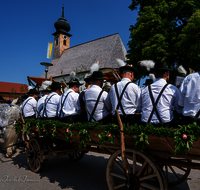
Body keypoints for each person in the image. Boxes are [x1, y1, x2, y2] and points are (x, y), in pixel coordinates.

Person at [141, 62, 181, 127]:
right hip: (165, 124)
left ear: (154, 74)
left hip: (146, 124)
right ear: (166, 73)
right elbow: (178, 108)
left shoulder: (145, 89)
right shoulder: (173, 89)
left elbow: (141, 106)